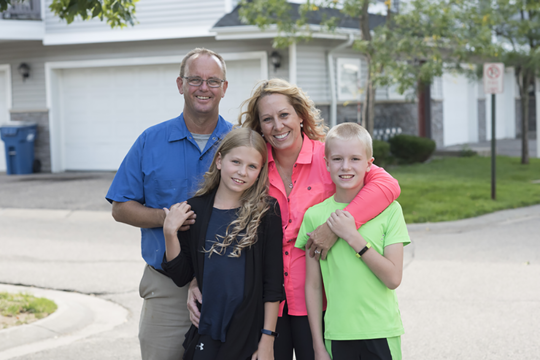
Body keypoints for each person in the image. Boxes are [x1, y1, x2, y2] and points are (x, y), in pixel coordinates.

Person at [235, 79, 402, 360]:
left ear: (300, 115)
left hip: (320, 303)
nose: (277, 126)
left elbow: (388, 186)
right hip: (266, 300)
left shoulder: (332, 158)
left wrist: (334, 229)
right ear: (259, 126)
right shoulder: (254, 165)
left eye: (284, 115)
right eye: (267, 119)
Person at [106, 48, 232, 360]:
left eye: (213, 81)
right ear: (180, 84)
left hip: (229, 285)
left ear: (224, 88)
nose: (204, 88)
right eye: (195, 80)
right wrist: (165, 218)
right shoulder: (151, 140)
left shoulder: (240, 142)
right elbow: (120, 207)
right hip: (166, 288)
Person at [161, 128, 284, 360]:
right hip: (207, 327)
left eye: (252, 166)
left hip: (247, 332)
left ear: (260, 172)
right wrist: (170, 232)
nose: (242, 172)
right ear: (219, 161)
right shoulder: (195, 209)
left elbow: (273, 283)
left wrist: (268, 338)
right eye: (235, 162)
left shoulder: (267, 211)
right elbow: (181, 275)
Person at [297, 122, 410, 360]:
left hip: (381, 330)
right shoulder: (314, 216)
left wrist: (351, 235)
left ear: (370, 164)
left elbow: (392, 278)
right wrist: (318, 346)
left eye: (355, 159)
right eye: (337, 159)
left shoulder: (390, 211)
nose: (346, 167)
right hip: (337, 335)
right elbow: (313, 286)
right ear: (326, 163)